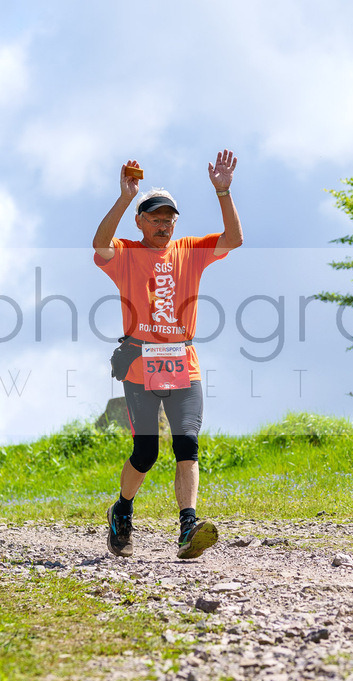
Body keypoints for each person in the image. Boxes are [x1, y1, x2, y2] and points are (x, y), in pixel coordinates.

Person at [92, 150, 243, 559]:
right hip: (140, 365)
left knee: (187, 444)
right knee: (146, 452)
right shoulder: (125, 253)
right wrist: (125, 197)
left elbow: (233, 239)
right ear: (140, 221)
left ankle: (187, 526)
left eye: (169, 218)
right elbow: (99, 244)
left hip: (184, 364)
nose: (163, 224)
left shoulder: (192, 250)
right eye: (155, 218)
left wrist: (224, 192)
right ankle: (122, 510)